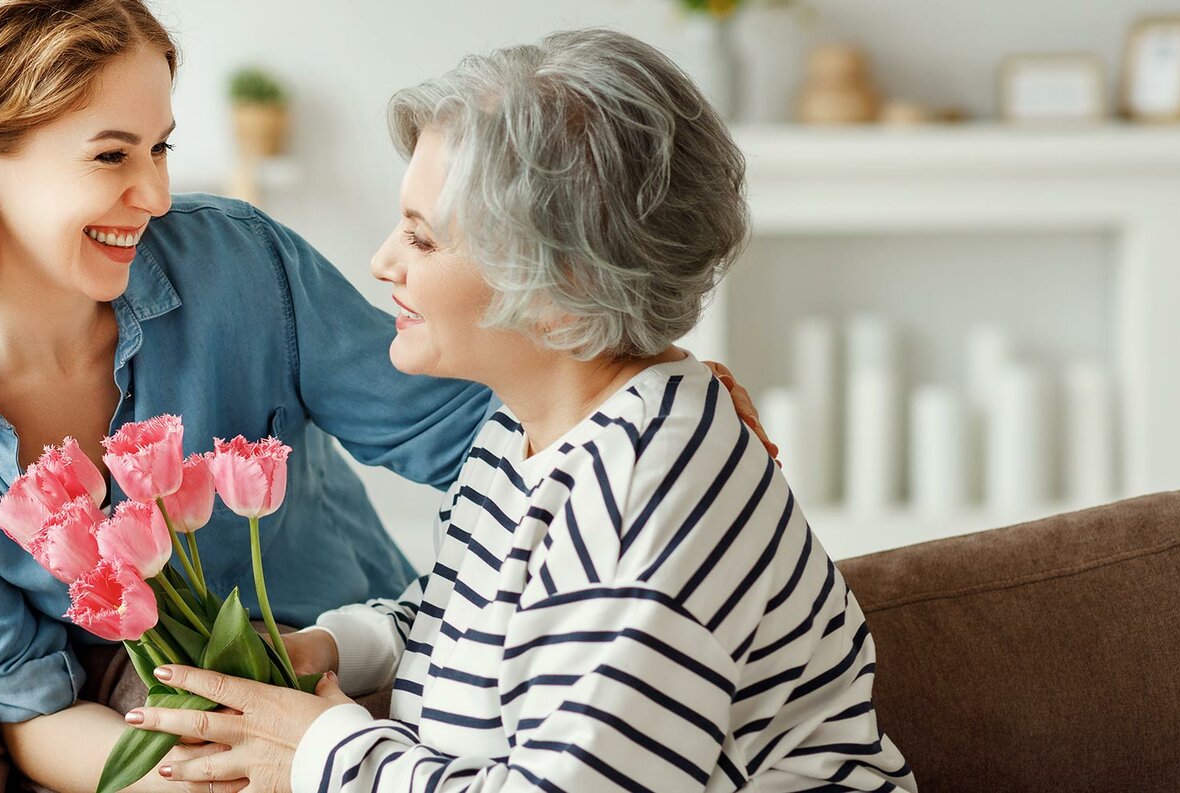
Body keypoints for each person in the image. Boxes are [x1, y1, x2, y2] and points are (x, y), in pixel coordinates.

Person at [0, 4, 771, 790]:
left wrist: (623, 380)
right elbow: (33, 708)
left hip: (375, 669)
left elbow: (481, 432)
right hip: (156, 740)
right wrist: (196, 776)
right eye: (112, 156)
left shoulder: (237, 265)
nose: (156, 194)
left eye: (161, 149)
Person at [126, 29, 917, 793]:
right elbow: (461, 614)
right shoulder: (526, 427)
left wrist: (324, 753)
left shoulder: (651, 492)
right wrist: (329, 646)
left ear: (562, 298)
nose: (382, 262)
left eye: (423, 239)